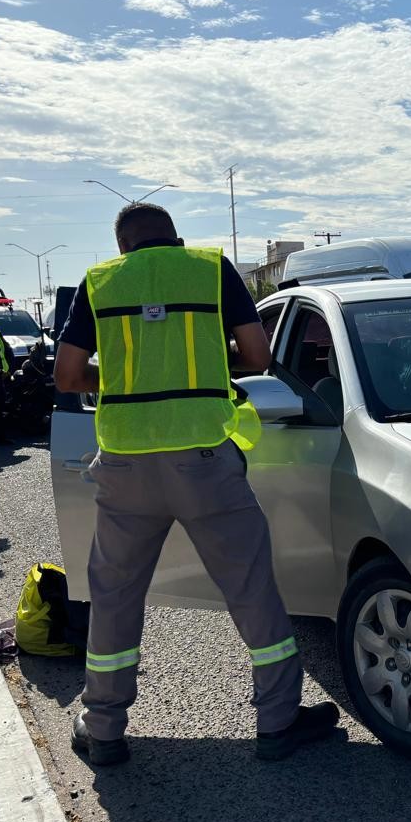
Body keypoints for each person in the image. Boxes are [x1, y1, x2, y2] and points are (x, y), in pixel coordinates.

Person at [53, 201, 339, 766]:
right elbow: (257, 356)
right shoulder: (211, 269)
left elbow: (67, 375)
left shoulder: (100, 282)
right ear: (176, 240)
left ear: (122, 248)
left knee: (113, 598)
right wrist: (202, 367)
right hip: (204, 464)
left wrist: (128, 378)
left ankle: (103, 728)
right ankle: (278, 720)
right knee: (251, 587)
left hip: (125, 465)